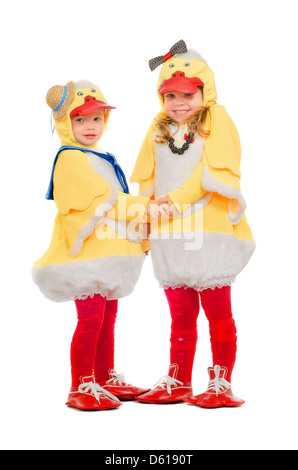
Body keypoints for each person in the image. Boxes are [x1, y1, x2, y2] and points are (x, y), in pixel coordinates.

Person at [130, 41, 256, 408]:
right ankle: (178, 379)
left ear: (204, 90)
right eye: (169, 95)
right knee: (181, 315)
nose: (178, 102)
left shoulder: (217, 119)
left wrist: (177, 199)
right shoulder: (159, 126)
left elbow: (212, 171)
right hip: (170, 232)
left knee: (218, 313)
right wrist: (146, 215)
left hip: (208, 230)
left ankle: (220, 382)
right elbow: (148, 175)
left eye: (187, 93)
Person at [32, 80, 156, 411]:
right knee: (90, 320)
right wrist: (147, 208)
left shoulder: (100, 156)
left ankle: (103, 376)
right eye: (81, 119)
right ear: (65, 123)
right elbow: (105, 201)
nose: (91, 126)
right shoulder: (71, 158)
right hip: (87, 256)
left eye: (97, 118)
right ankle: (80, 384)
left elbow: (118, 204)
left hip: (108, 254)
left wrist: (141, 235)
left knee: (107, 318)